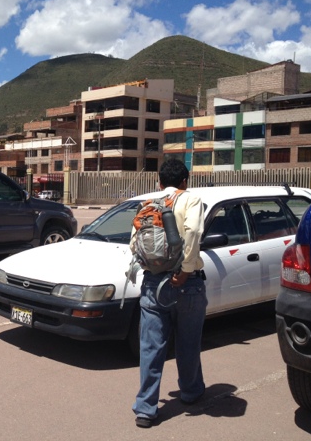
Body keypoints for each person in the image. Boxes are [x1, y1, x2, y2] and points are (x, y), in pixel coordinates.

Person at [131, 158, 207, 428]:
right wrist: (185, 271)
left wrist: (152, 267)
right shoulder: (190, 200)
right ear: (185, 181)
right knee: (188, 342)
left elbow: (134, 242)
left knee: (151, 347)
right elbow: (195, 231)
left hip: (153, 283)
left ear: (159, 181)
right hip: (187, 284)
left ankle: (146, 408)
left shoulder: (148, 204)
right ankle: (191, 391)